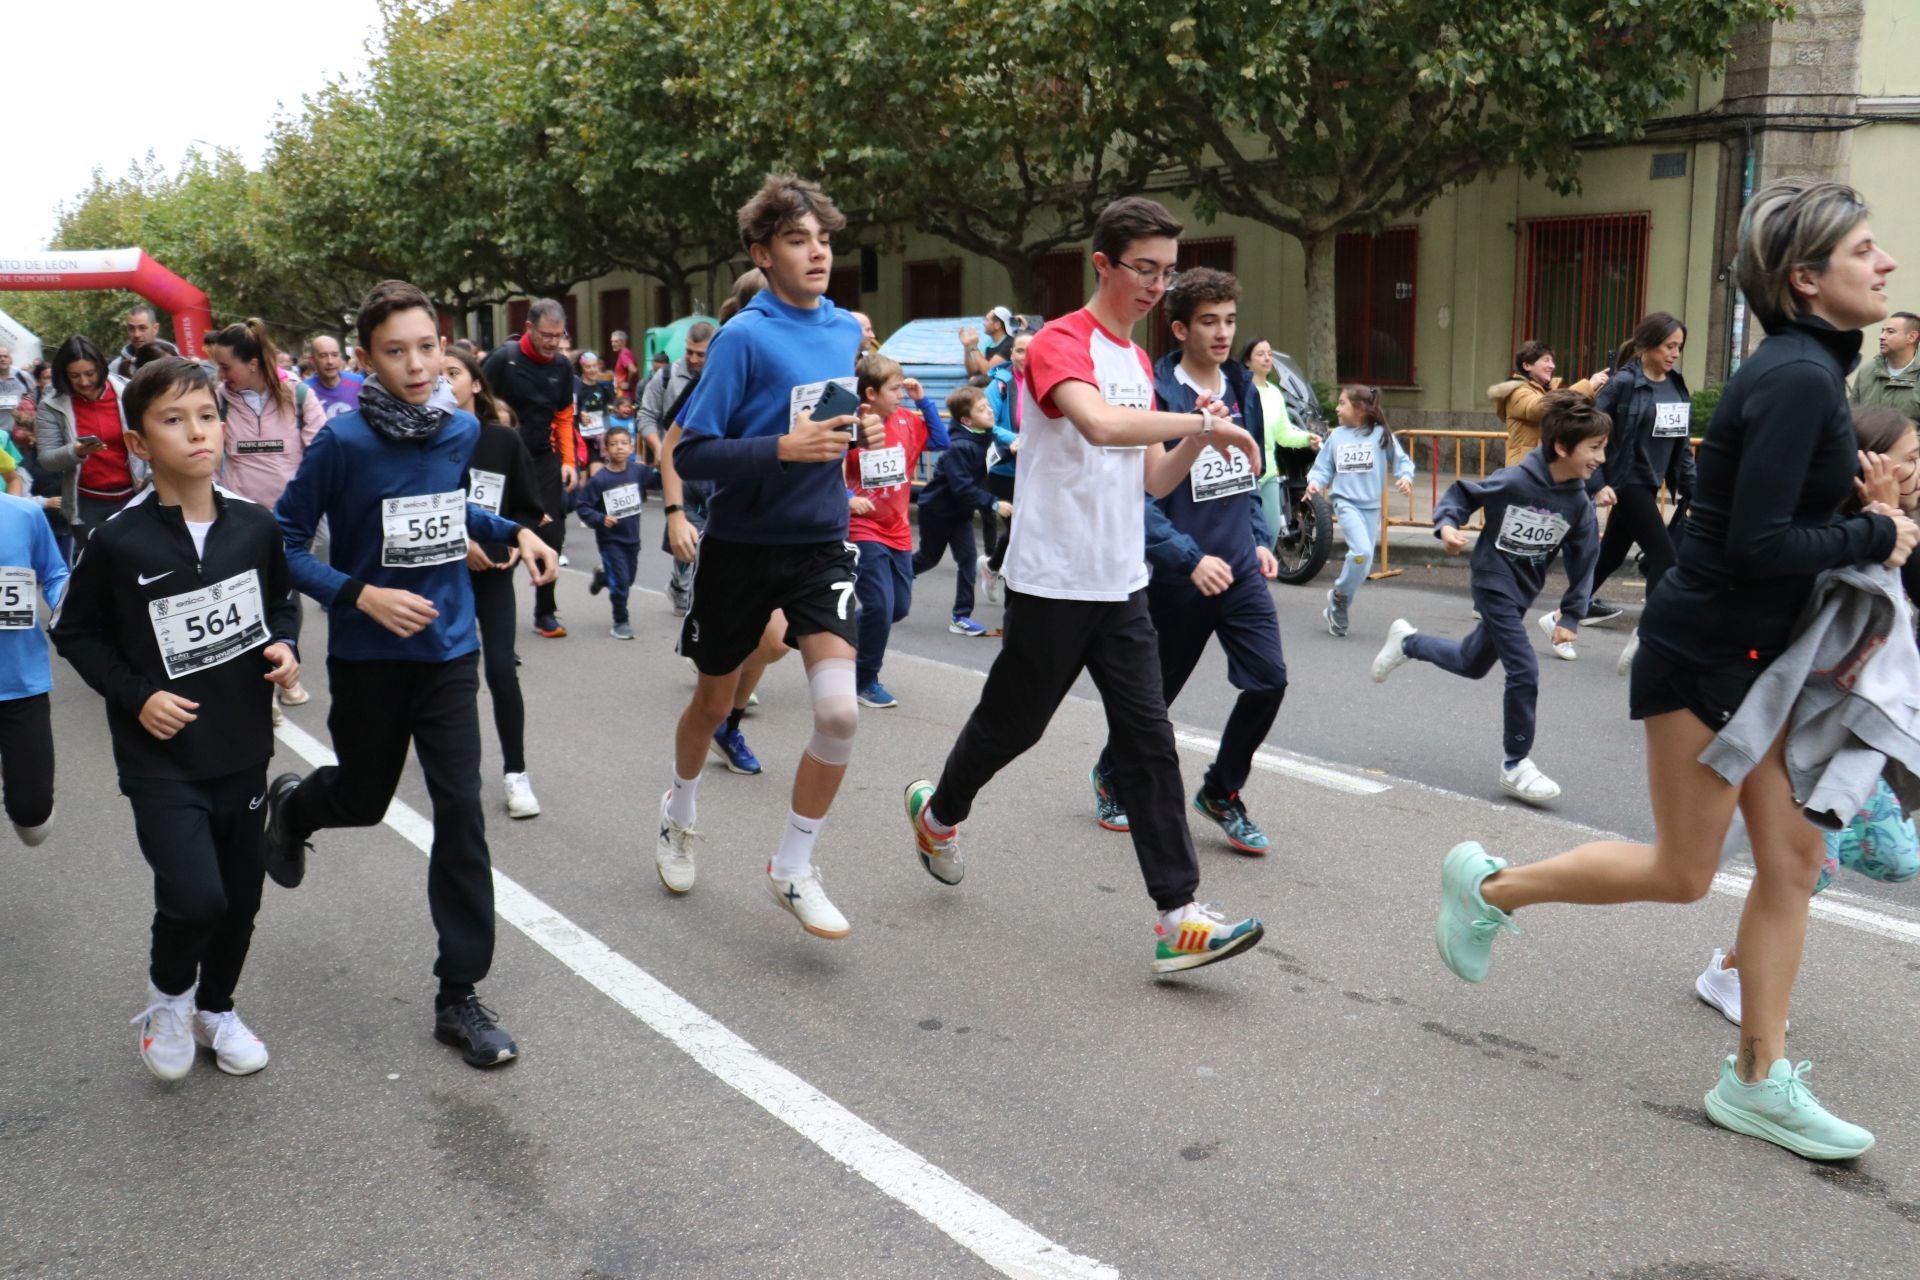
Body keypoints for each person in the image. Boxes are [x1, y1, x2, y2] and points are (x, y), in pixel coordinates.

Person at [1433, 179, 1917, 1161]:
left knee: (1794, 860)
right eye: (1866, 249)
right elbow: (1753, 541)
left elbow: (1787, 520)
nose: (1888, 264)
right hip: (1704, 655)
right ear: (1808, 278)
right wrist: (1878, 524)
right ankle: (1488, 889)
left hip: (1758, 658)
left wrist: (1876, 499)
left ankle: (1756, 1080)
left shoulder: (1816, 373)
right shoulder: (1796, 379)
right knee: (1683, 870)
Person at [903, 195, 1267, 976]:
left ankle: (1178, 918)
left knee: (1149, 743)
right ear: (1102, 263)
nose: (1156, 287)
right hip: (1052, 581)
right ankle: (938, 814)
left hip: (1121, 580)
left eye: (1167, 274)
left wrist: (1199, 444)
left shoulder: (1139, 363)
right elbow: (1098, 427)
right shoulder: (1055, 345)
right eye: (1145, 269)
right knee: (1013, 726)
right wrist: (1205, 425)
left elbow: (1144, 475)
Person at [264, 280, 559, 1069]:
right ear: (366, 360)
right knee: (361, 798)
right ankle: (295, 810)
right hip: (369, 659)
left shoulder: (459, 429)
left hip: (448, 653)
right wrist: (360, 594)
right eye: (396, 351)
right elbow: (284, 544)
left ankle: (458, 994)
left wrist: (515, 533)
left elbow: (451, 508)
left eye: (428, 346)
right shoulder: (343, 443)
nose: (417, 363)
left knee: (461, 809)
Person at [52, 356, 300, 1080]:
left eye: (206, 415)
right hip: (161, 760)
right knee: (195, 895)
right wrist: (138, 695)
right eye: (172, 419)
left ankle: (215, 1010)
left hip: (243, 746)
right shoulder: (118, 540)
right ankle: (168, 998)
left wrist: (283, 646)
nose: (196, 432)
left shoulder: (254, 526)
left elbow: (280, 603)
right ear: (138, 443)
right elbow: (75, 633)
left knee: (241, 897)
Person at [652, 173, 885, 939]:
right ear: (763, 253)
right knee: (715, 703)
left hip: (820, 545)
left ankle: (793, 866)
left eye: (823, 238)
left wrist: (861, 438)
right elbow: (695, 452)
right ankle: (679, 812)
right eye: (797, 240)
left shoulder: (847, 329)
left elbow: (831, 421)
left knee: (839, 712)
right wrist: (782, 449)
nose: (817, 252)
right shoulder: (742, 338)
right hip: (741, 551)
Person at [1693, 403, 1920, 1022]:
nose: (1919, 468)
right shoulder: (1845, 537)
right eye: (1910, 458)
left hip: (1868, 730)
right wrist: (1885, 520)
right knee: (1801, 868)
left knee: (1898, 859)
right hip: (1814, 729)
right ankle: (1734, 973)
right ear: (1870, 468)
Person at [1087, 267, 1286, 853]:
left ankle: (1221, 792)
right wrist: (1188, 557)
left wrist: (1258, 537)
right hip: (1178, 576)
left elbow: (1247, 472)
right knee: (1156, 698)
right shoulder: (1152, 393)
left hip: (1240, 570)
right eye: (1208, 322)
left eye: (1229, 320)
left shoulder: (1240, 386)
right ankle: (1111, 772)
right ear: (1179, 327)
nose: (1223, 333)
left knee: (1269, 681)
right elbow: (1136, 495)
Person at [1373, 390, 1606, 806]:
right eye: (1594, 448)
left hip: (1523, 590)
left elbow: (1585, 559)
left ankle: (1407, 642)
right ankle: (1516, 763)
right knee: (1524, 669)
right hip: (1493, 581)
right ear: (1561, 447)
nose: (1601, 458)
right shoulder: (1516, 480)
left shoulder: (1578, 503)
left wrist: (1572, 615)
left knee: (1472, 662)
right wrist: (1446, 526)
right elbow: (1464, 494)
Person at [444, 344, 547, 819]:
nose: (442, 379)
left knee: (502, 670)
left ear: (477, 383)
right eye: (436, 373)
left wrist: (508, 547)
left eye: (452, 372)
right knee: (450, 676)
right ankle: (453, 773)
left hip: (493, 575)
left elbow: (529, 506)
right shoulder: (422, 443)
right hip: (441, 577)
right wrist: (457, 543)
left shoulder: (502, 441)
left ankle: (516, 773)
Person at [206, 319, 327, 714]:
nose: (221, 375)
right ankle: (262, 688)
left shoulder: (300, 396)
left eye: (226, 367)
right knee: (248, 600)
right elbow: (207, 457)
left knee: (285, 597)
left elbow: (321, 455)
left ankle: (287, 673)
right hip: (237, 521)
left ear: (254, 363)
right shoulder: (217, 400)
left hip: (291, 521)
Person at [1558, 313, 1692, 654]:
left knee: (1610, 555)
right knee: (1664, 555)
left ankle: (1563, 617)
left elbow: (1681, 441)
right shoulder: (1624, 383)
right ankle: (1650, 639)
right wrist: (1597, 482)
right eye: (1669, 346)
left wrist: (1693, 486)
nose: (1675, 353)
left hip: (1651, 482)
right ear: (1647, 345)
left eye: (1679, 347)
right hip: (1625, 480)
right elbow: (1589, 431)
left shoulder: (1676, 384)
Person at [847, 354, 948, 708]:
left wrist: (924, 400)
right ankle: (864, 679)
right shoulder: (852, 427)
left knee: (898, 608)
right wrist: (847, 496)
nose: (901, 395)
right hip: (863, 527)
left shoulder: (906, 419)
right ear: (871, 393)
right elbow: (826, 468)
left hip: (898, 529)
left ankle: (838, 634)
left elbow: (941, 441)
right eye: (895, 389)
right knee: (879, 604)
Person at [482, 299, 578, 638]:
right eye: (546, 335)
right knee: (500, 536)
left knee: (552, 533)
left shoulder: (563, 368)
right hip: (503, 460)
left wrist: (569, 461)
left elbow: (564, 416)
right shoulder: (503, 359)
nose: (553, 342)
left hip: (542, 459)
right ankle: (492, 615)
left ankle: (545, 612)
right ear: (529, 328)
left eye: (559, 335)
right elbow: (480, 405)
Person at [0, 427, 69, 850]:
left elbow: (55, 571)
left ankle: (25, 797)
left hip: (19, 681)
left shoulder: (23, 515)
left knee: (32, 818)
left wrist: (65, 609)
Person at [1306, 384, 1413, 637]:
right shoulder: (1337, 436)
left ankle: (1337, 602)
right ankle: (1341, 599)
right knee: (1362, 552)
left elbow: (1401, 460)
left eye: (1342, 403)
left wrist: (1405, 477)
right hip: (1346, 503)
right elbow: (1323, 467)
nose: (1336, 408)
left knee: (1363, 565)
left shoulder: (1380, 434)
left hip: (1371, 507)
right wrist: (1315, 482)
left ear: (1360, 408)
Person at [35, 335, 148, 557]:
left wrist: (151, 475)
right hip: (86, 505)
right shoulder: (51, 405)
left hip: (132, 497)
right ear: (64, 376)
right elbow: (47, 459)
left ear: (101, 367)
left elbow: (151, 438)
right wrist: (75, 451)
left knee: (137, 562)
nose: (84, 382)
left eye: (90, 373)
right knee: (95, 570)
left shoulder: (126, 392)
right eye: (75, 376)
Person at [911, 386, 1007, 637]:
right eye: (981, 409)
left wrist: (1009, 452)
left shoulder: (982, 435)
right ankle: (893, 575)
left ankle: (961, 617)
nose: (989, 411)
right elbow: (962, 487)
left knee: (967, 562)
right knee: (928, 559)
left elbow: (987, 461)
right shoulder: (958, 446)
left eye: (987, 405)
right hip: (937, 510)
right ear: (966, 419)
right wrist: (994, 503)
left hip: (960, 513)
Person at [1240, 336, 1321, 546]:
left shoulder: (1275, 393)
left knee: (1272, 531)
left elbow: (1283, 434)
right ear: (1247, 361)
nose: (1267, 358)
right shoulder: (1240, 390)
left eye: (1269, 353)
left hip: (1268, 473)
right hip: (1243, 473)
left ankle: (1257, 577)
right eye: (1260, 354)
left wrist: (1307, 439)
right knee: (1245, 534)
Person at [1488, 339, 1610, 468]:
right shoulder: (1517, 391)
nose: (1552, 366)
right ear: (1527, 366)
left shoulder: (1547, 391)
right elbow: (1539, 409)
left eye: (1552, 361)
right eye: (1546, 360)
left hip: (1544, 466)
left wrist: (1593, 390)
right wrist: (1588, 385)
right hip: (1524, 469)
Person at [976, 331, 1031, 606]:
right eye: (1020, 350)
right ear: (1011, 354)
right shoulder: (998, 385)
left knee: (1032, 527)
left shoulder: (1048, 381)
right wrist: (1013, 440)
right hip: (1005, 470)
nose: (1025, 356)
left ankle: (994, 566)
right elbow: (987, 423)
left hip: (1037, 468)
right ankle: (1007, 579)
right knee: (1020, 527)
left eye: (1030, 350)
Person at [576, 423, 644, 639]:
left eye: (624, 444)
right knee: (622, 584)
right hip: (610, 539)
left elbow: (659, 481)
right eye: (614, 444)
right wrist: (600, 518)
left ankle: (603, 577)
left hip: (632, 538)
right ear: (605, 450)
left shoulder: (638, 471)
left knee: (627, 579)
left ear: (631, 447)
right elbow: (583, 505)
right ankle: (620, 621)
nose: (620, 448)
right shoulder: (600, 479)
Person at [1850, 310, 1920, 419]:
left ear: (1911, 337)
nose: (1882, 337)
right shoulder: (1867, 372)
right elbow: (1851, 418)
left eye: (1890, 331)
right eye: (1882, 331)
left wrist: (1905, 436)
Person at [303, 335, 366, 420]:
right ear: (312, 360)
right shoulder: (304, 390)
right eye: (323, 356)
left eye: (335, 355)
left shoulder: (359, 382)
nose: (330, 361)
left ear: (340, 357)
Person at [108, 305, 162, 379]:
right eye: (131, 328)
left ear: (155, 329)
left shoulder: (173, 360)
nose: (137, 335)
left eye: (142, 328)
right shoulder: (115, 368)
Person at [961, 306, 1015, 377]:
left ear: (997, 325)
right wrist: (967, 347)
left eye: (987, 320)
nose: (984, 323)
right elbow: (973, 371)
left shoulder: (1009, 344)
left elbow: (988, 372)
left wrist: (974, 346)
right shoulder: (989, 344)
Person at [609, 329, 636, 400]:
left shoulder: (624, 353)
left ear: (623, 342)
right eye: (612, 341)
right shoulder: (624, 353)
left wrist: (628, 384)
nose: (613, 344)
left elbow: (633, 370)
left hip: (625, 395)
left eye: (616, 341)